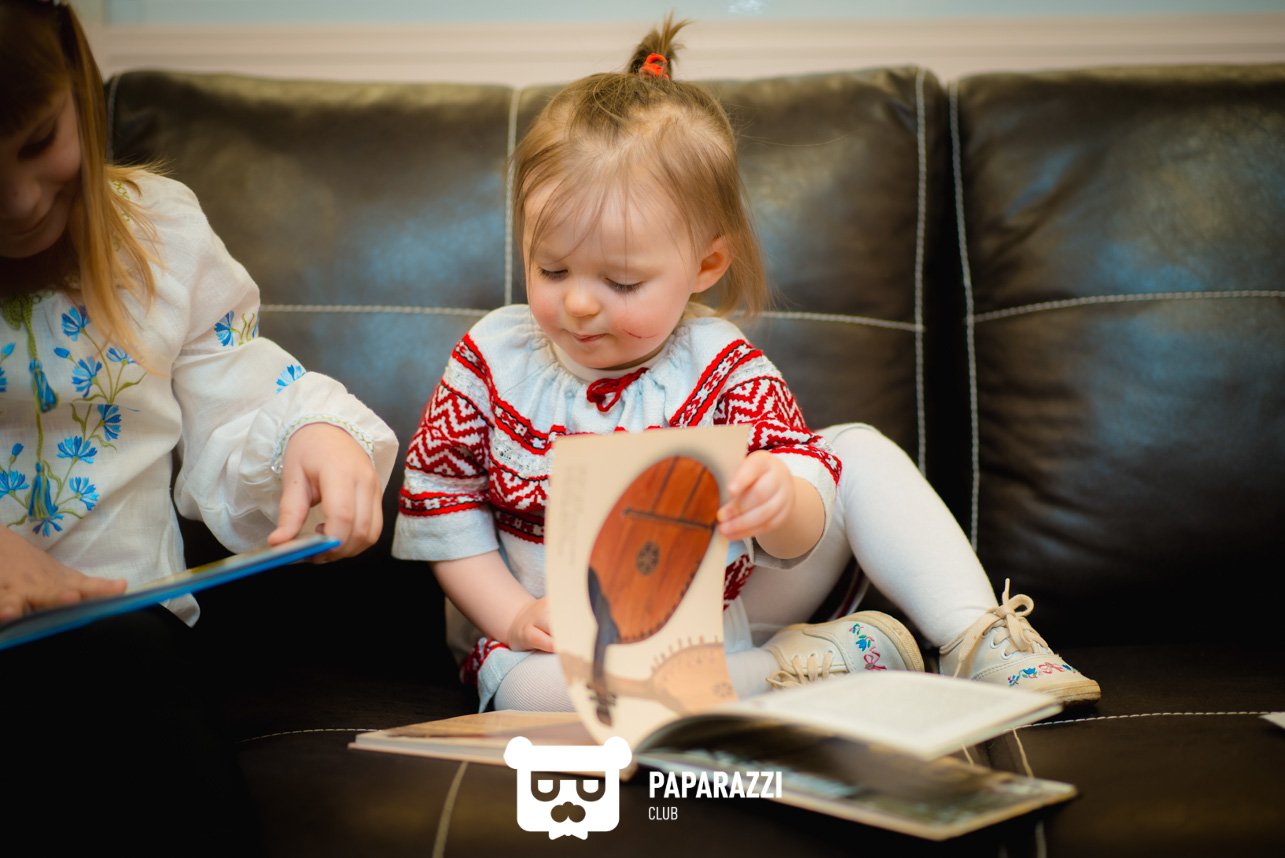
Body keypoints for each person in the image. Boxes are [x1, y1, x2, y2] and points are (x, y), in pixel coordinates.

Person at [392, 16, 1098, 713]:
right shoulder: (492, 359)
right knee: (535, 699)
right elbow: (443, 508)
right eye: (550, 268)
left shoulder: (723, 365)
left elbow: (800, 530)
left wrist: (780, 504)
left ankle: (980, 638)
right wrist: (514, 616)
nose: (577, 303)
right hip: (553, 640)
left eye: (622, 282)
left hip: (726, 608)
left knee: (855, 453)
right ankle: (801, 667)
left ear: (705, 264)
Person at [0, 0, 397, 850]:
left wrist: (308, 433)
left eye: (38, 142)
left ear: (78, 84)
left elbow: (237, 395)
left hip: (123, 639)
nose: (21, 201)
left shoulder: (159, 232)